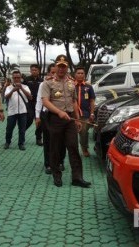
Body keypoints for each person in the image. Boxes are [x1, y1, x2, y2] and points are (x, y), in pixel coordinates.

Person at [41, 55, 91, 188]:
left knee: (73, 147)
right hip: (55, 119)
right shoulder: (48, 83)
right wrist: (59, 112)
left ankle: (77, 177)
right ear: (56, 67)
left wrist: (77, 119)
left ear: (67, 68)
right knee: (55, 148)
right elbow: (45, 101)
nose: (62, 69)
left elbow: (74, 101)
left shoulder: (71, 83)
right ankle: (57, 176)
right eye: (59, 66)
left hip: (69, 119)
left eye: (64, 67)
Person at [35, 63, 66, 174]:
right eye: (52, 72)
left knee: (62, 140)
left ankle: (60, 161)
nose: (54, 74)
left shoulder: (64, 83)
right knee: (48, 140)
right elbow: (39, 100)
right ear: (48, 73)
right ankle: (48, 164)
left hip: (61, 115)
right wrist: (37, 116)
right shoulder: (44, 84)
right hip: (47, 115)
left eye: (55, 72)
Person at [4, 70, 32, 151]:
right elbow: (6, 97)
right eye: (15, 78)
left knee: (22, 129)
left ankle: (21, 143)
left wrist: (21, 88)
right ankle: (7, 142)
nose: (16, 79)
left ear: (21, 78)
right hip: (12, 112)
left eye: (18, 77)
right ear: (12, 78)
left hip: (23, 112)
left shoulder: (25, 87)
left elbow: (30, 97)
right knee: (9, 128)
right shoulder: (9, 87)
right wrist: (13, 90)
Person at [74, 67, 95, 157]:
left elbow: (92, 100)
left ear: (85, 75)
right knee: (72, 133)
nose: (80, 75)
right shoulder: (71, 85)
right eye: (78, 73)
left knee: (84, 133)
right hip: (73, 114)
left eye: (82, 73)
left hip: (85, 113)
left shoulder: (88, 86)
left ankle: (84, 148)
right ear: (75, 74)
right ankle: (73, 150)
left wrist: (92, 113)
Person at [24, 64, 43, 145]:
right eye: (32, 70)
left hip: (39, 103)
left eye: (36, 70)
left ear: (38, 71)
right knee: (29, 118)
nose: (34, 71)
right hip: (30, 103)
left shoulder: (42, 80)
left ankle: (38, 138)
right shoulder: (26, 80)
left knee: (39, 121)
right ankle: (22, 131)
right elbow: (23, 89)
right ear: (30, 71)